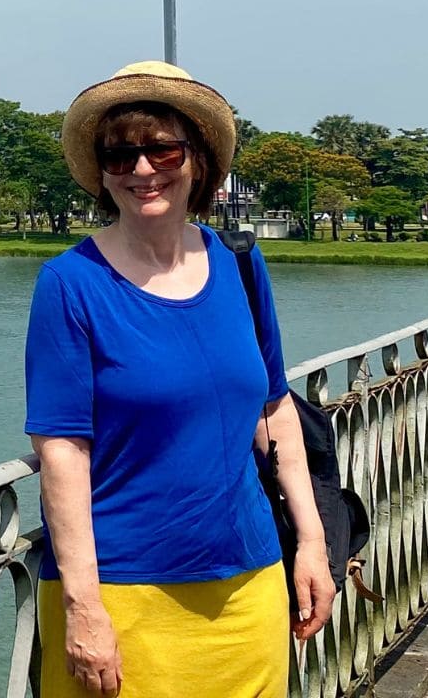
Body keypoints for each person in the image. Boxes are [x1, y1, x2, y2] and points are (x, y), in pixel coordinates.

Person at [24, 61, 334, 697]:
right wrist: (84, 607)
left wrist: (313, 543)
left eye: (162, 149)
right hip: (121, 592)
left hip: (247, 585)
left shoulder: (242, 268)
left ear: (198, 160)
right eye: (119, 155)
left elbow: (274, 411)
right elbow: (61, 449)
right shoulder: (70, 284)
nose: (142, 170)